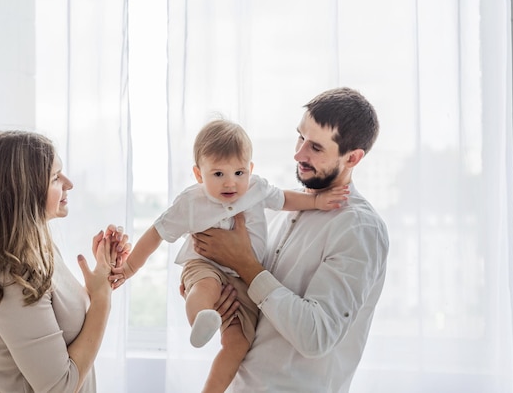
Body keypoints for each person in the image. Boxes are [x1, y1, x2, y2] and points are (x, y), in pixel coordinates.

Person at [111, 118, 348, 392]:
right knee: (204, 287)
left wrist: (316, 201)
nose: (230, 183)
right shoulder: (190, 202)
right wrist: (129, 269)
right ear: (199, 175)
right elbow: (156, 234)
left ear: (250, 169)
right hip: (204, 264)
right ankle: (202, 317)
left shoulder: (257, 189)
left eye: (238, 173)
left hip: (246, 283)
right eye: (218, 174)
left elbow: (285, 199)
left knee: (238, 344)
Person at [192, 87, 389, 393]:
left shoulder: (359, 229)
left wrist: (244, 264)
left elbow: (316, 336)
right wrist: (211, 285)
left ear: (353, 157)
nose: (298, 154)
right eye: (300, 137)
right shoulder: (277, 209)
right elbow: (259, 302)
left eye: (316, 148)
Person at [0, 130, 131, 393]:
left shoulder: (33, 248)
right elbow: (60, 387)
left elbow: (60, 326)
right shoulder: (10, 277)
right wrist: (102, 299)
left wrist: (101, 273)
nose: (68, 183)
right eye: (55, 177)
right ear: (21, 192)